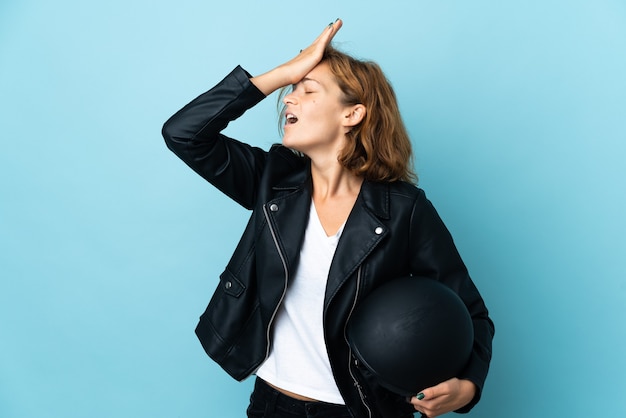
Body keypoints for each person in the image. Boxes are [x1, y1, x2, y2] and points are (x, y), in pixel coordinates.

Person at [162, 19, 494, 418]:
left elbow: (471, 312)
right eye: (291, 90)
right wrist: (284, 72)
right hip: (271, 404)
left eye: (307, 90)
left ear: (352, 114)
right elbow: (184, 134)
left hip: (359, 410)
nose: (289, 99)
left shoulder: (403, 210)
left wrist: (469, 386)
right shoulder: (273, 184)